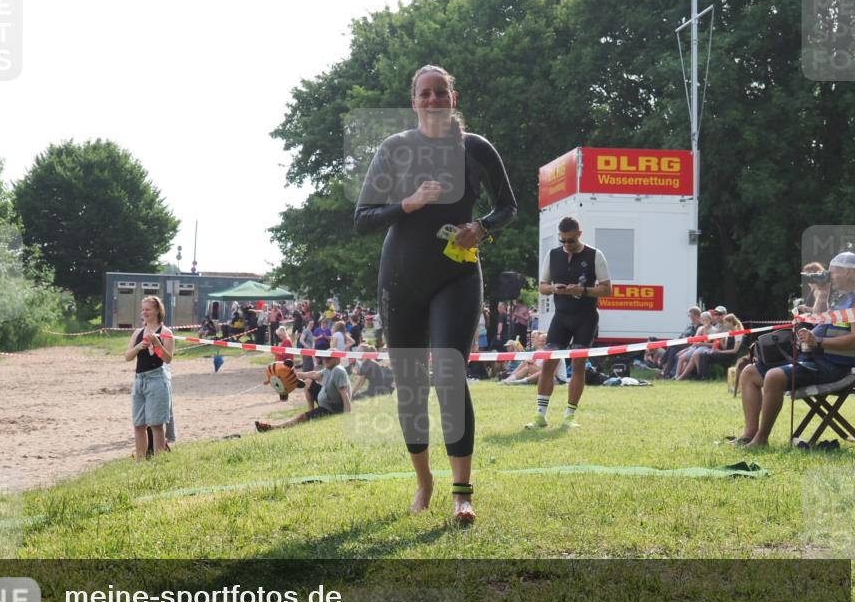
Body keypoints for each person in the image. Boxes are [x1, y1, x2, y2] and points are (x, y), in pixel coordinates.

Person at [354, 63, 516, 523]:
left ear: (452, 98)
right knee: (410, 385)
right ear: (414, 101)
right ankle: (424, 482)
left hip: (456, 275)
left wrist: (480, 227)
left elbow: (508, 206)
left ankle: (462, 494)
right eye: (424, 93)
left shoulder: (475, 148)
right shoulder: (395, 149)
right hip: (400, 277)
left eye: (439, 92)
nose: (431, 100)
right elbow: (363, 218)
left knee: (448, 373)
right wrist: (408, 203)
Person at [735, 251, 855, 447]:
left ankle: (761, 439)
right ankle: (749, 433)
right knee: (749, 373)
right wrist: (822, 294)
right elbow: (820, 323)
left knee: (774, 376)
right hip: (814, 360)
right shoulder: (840, 299)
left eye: (833, 272)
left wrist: (819, 342)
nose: (829, 276)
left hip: (833, 368)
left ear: (848, 273)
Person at [527, 217, 611, 429]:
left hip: (586, 317)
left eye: (570, 240)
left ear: (579, 234)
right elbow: (542, 286)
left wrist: (581, 291)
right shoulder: (553, 255)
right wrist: (555, 289)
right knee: (548, 363)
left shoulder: (595, 255)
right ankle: (540, 415)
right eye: (562, 240)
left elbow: (607, 289)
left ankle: (569, 415)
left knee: (578, 364)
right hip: (561, 317)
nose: (566, 245)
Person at [124, 296, 174, 460]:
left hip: (157, 379)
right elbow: (128, 356)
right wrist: (139, 347)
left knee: (156, 424)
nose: (144, 312)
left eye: (148, 309)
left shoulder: (166, 333)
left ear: (157, 311)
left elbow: (167, 359)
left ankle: (158, 462)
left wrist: (157, 344)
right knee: (139, 424)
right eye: (143, 309)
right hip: (139, 380)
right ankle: (140, 462)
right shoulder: (138, 333)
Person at [254, 355, 352, 432]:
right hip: (326, 401)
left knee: (301, 417)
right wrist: (296, 375)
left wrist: (347, 417)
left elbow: (344, 394)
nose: (325, 360)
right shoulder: (329, 369)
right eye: (324, 357)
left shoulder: (337, 370)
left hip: (330, 409)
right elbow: (314, 374)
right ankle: (311, 412)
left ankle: (273, 428)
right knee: (308, 381)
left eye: (329, 358)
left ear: (337, 359)